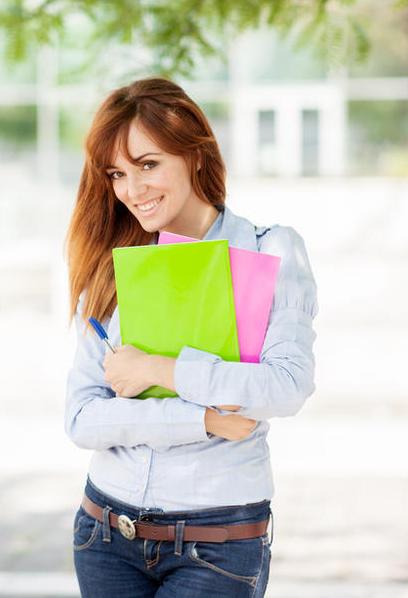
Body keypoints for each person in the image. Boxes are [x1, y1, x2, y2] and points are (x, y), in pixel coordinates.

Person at [65, 78, 317, 597]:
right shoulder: (115, 267)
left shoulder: (269, 253)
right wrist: (203, 418)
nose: (132, 190)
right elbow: (82, 418)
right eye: (117, 173)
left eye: (148, 164)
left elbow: (286, 386)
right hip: (106, 534)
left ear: (195, 155)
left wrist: (159, 371)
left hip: (218, 543)